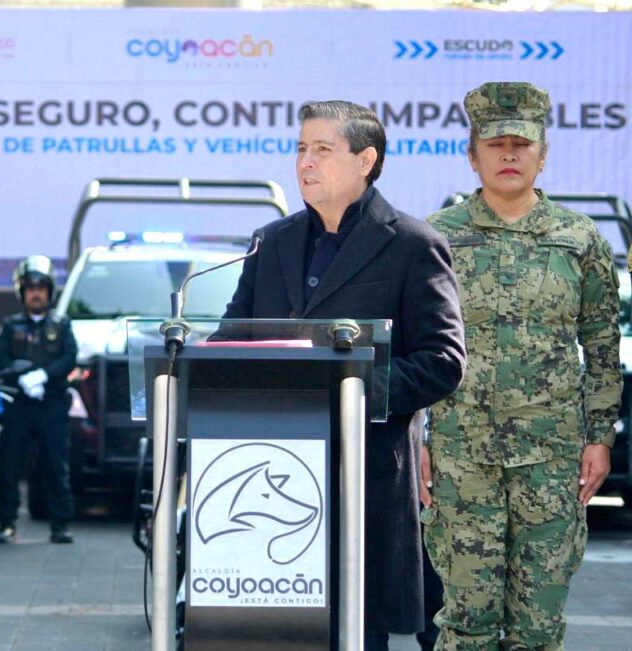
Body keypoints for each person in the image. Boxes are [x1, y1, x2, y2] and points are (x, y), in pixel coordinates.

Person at [223, 100, 466, 650]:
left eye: (322, 150)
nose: (305, 162)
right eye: (300, 149)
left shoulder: (412, 244)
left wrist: (351, 390)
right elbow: (230, 340)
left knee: (357, 632)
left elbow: (443, 360)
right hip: (272, 474)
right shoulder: (271, 242)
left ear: (365, 160)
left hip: (366, 475)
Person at [424, 82, 620, 650]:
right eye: (495, 144)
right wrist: (415, 437)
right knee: (467, 622)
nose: (508, 155)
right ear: (472, 156)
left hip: (552, 458)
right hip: (462, 455)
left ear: (543, 154)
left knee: (539, 626)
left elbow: (602, 344)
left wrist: (600, 437)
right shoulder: (437, 236)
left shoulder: (578, 238)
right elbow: (415, 345)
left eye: (521, 144)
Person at [0, 255, 77, 544]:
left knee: (55, 463)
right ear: (23, 293)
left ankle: (60, 524)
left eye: (41, 288)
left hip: (51, 402)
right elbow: (0, 359)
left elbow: (69, 357)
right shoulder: (11, 325)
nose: (36, 294)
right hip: (19, 404)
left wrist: (44, 376)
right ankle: (6, 523)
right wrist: (21, 378)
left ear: (49, 291)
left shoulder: (61, 325)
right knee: (9, 463)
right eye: (30, 289)